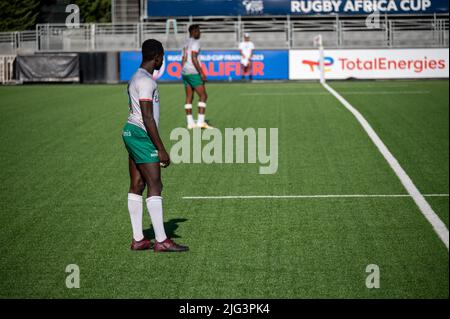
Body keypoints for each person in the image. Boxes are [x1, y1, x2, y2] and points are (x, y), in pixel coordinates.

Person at [122, 39, 188, 252]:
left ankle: (139, 239)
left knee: (137, 184)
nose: (163, 60)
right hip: (142, 134)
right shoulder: (147, 82)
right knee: (155, 184)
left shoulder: (136, 77)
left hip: (131, 131)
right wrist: (160, 148)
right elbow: (148, 116)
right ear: (157, 56)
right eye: (163, 56)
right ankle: (161, 240)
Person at [181, 24, 213, 129]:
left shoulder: (186, 43)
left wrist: (184, 69)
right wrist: (201, 73)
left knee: (189, 97)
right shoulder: (195, 43)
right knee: (203, 96)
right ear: (193, 32)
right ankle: (200, 122)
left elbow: (183, 58)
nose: (200, 33)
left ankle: (190, 123)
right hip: (193, 72)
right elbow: (194, 58)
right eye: (198, 31)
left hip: (185, 71)